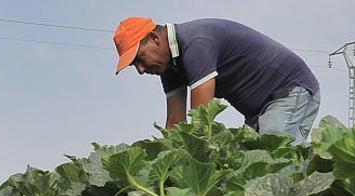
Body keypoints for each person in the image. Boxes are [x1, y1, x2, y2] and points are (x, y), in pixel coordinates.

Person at [113, 17, 320, 143]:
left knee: (276, 166)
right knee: (250, 173)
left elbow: (202, 122)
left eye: (140, 59)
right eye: (134, 66)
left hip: (291, 92)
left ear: (154, 38)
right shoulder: (168, 68)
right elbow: (175, 125)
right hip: (258, 112)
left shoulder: (196, 44)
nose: (140, 70)